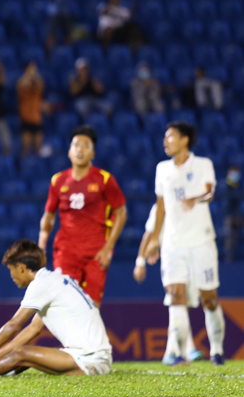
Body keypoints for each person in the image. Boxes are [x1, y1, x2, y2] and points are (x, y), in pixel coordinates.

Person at [0, 239, 112, 378]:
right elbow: (33, 329)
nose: (11, 275)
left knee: (23, 353)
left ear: (22, 268)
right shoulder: (53, 280)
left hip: (91, 360)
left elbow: (14, 325)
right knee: (24, 356)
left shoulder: (41, 284)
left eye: (11, 270)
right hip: (94, 358)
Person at [145, 122, 225, 366]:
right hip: (172, 244)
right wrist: (154, 240)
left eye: (170, 136)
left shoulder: (203, 164)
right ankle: (177, 354)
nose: (165, 141)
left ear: (185, 140)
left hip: (201, 241)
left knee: (209, 298)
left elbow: (210, 193)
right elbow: (160, 208)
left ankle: (217, 351)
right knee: (175, 293)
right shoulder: (161, 169)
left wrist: (197, 197)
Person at [39, 125, 127, 307]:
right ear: (69, 152)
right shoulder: (58, 180)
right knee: (66, 305)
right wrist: (41, 245)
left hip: (96, 252)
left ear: (93, 154)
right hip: (67, 252)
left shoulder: (105, 180)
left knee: (92, 307)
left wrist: (108, 248)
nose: (80, 149)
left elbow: (121, 214)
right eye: (76, 145)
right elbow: (48, 216)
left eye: (86, 145)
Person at [133, 203, 203, 365]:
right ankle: (186, 349)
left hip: (191, 259)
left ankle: (172, 352)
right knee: (177, 299)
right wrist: (140, 262)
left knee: (182, 305)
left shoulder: (192, 203)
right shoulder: (161, 206)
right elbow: (148, 234)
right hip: (171, 258)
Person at [17, 61, 45, 156]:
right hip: (26, 118)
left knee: (38, 148)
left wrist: (34, 73)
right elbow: (22, 84)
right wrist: (29, 74)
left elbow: (40, 84)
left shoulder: (37, 86)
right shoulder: (22, 84)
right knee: (26, 148)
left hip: (36, 118)